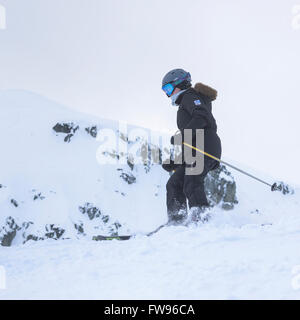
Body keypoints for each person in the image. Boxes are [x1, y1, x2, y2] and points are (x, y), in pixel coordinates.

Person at [161, 68, 222, 224]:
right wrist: (176, 162)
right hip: (197, 149)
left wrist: (183, 135)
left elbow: (201, 117)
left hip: (206, 146)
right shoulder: (186, 101)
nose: (167, 94)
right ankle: (177, 220)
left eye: (168, 89)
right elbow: (191, 142)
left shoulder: (190, 96)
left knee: (192, 181)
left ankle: (201, 218)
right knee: (174, 183)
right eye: (165, 91)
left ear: (180, 84)